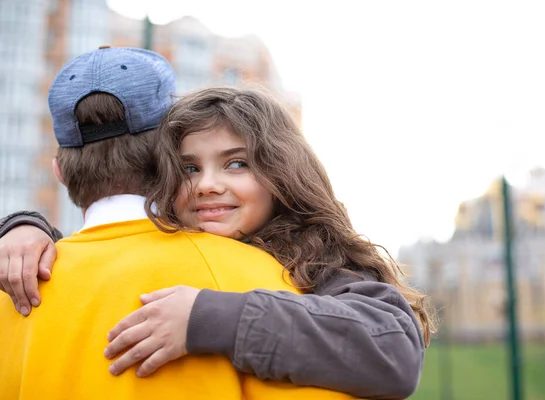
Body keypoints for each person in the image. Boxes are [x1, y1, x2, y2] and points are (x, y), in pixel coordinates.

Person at [0, 75, 434, 399]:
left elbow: (392, 349)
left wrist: (209, 319)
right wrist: (26, 227)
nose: (207, 184)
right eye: (190, 169)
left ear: (282, 172)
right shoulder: (180, 238)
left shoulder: (315, 259)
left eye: (236, 164)